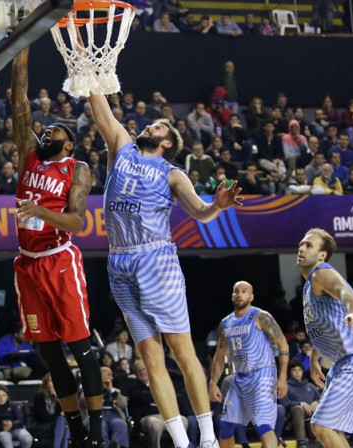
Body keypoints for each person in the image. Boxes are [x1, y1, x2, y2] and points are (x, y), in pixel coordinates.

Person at [88, 68, 242, 448]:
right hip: (119, 262)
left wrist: (217, 206)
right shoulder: (121, 146)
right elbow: (100, 109)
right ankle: (180, 440)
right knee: (150, 358)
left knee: (181, 348)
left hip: (156, 260)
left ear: (168, 142)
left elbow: (201, 212)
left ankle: (206, 435)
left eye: (159, 125)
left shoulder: (172, 174)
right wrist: (84, 67)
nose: (151, 125)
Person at [11, 47, 105, 447]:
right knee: (49, 354)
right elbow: (19, 100)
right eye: (46, 129)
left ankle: (98, 430)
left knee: (81, 347)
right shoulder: (28, 156)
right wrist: (21, 50)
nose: (47, 130)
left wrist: (42, 213)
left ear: (69, 144)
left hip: (59, 259)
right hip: (28, 263)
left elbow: (77, 222)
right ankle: (78, 429)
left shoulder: (76, 170)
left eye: (57, 131)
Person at [296, 228, 353, 448]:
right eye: (301, 244)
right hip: (344, 361)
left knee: (320, 425)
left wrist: (351, 311)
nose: (302, 248)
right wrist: (316, 358)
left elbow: (345, 292)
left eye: (309, 245)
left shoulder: (321, 272)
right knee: (328, 428)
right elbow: (324, 325)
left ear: (322, 255)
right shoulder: (309, 285)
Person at [209, 281, 289, 448]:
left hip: (263, 375)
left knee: (263, 426)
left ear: (251, 297)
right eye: (236, 291)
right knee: (225, 425)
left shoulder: (261, 316)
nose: (239, 294)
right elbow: (220, 354)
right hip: (240, 377)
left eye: (244, 291)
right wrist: (213, 383)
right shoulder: (226, 323)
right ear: (232, 296)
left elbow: (283, 344)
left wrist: (282, 378)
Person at [279, 360, 320, 448]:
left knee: (325, 407)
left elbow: (320, 398)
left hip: (312, 412)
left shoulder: (310, 386)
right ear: (290, 372)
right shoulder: (286, 386)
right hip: (294, 413)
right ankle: (301, 443)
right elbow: (285, 403)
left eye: (299, 370)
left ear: (302, 372)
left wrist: (317, 402)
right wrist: (302, 404)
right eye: (294, 370)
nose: (297, 372)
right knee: (297, 408)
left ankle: (330, 436)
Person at [31, 374, 69, 448]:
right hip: (42, 426)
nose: (54, 383)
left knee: (66, 422)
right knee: (61, 420)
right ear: (46, 384)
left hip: (55, 424)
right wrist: (58, 415)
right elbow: (43, 416)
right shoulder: (39, 397)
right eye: (51, 381)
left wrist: (57, 399)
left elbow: (62, 412)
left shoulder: (57, 396)